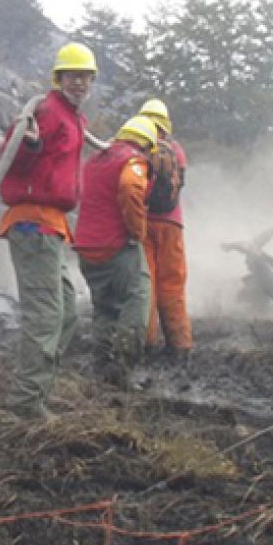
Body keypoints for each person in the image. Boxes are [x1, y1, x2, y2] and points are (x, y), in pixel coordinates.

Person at [0, 42, 95, 419]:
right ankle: (24, 406)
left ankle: (38, 392)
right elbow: (10, 158)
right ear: (59, 78)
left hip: (51, 227)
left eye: (86, 77)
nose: (80, 83)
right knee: (46, 316)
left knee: (66, 312)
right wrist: (30, 144)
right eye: (73, 76)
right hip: (33, 224)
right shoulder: (47, 112)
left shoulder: (74, 119)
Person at [73, 116, 157, 385]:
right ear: (146, 145)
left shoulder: (95, 160)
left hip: (86, 247)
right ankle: (123, 367)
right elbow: (130, 188)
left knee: (104, 308)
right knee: (138, 297)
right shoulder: (133, 160)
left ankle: (102, 368)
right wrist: (137, 231)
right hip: (116, 245)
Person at [139, 98, 192, 353]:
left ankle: (147, 342)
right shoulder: (176, 150)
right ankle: (180, 345)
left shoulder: (139, 148)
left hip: (143, 224)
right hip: (172, 224)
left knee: (145, 284)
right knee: (172, 284)